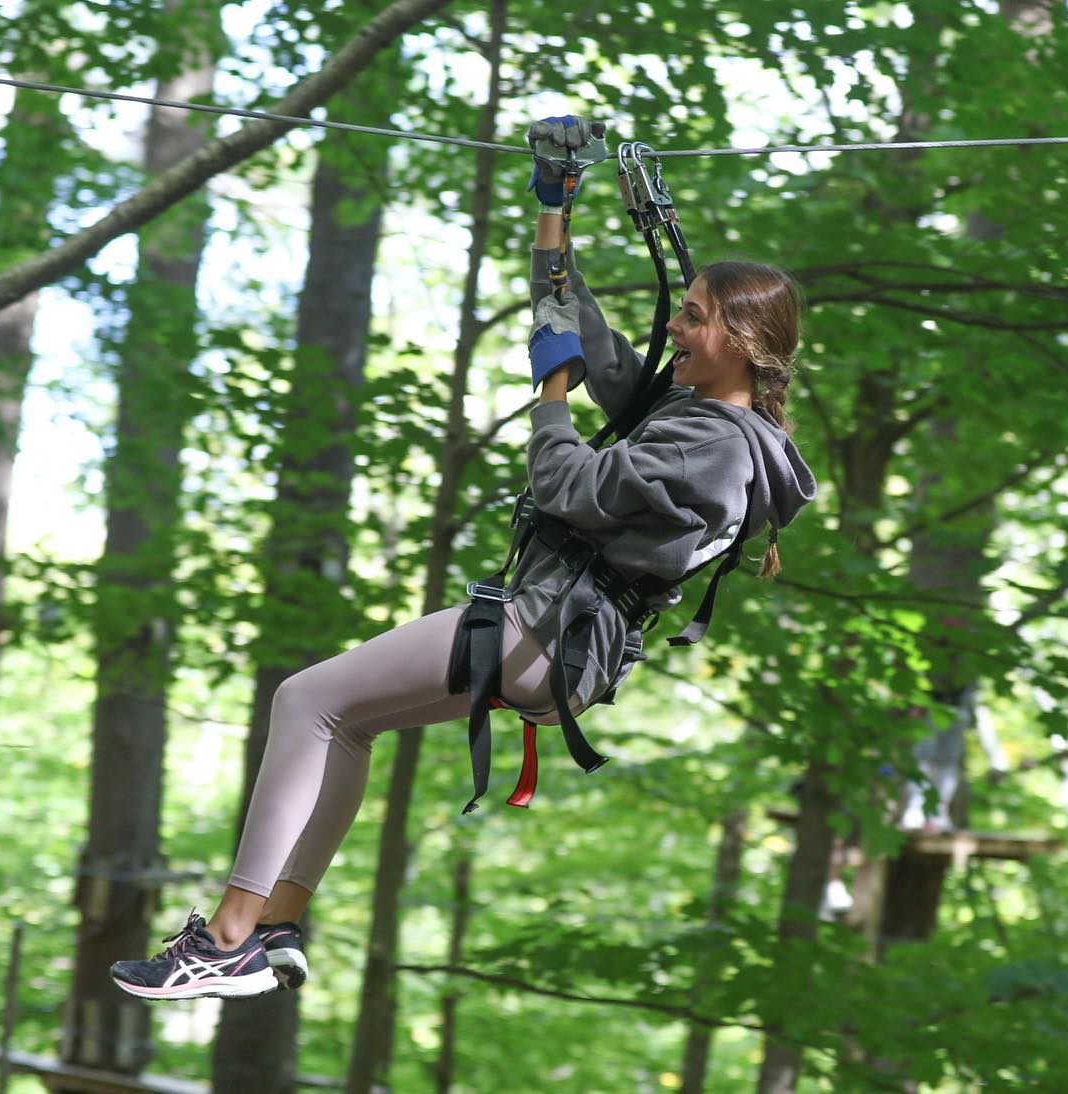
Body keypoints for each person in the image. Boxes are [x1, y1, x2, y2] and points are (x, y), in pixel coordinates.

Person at [108, 116, 817, 1000]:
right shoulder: (699, 413)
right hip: (555, 637)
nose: (674, 326)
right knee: (346, 722)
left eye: (694, 318)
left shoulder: (714, 444)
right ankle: (277, 920)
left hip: (547, 629)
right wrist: (555, 208)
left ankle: (226, 936)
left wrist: (551, 393)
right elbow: (581, 331)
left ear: (743, 344)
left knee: (305, 700)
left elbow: (570, 482)